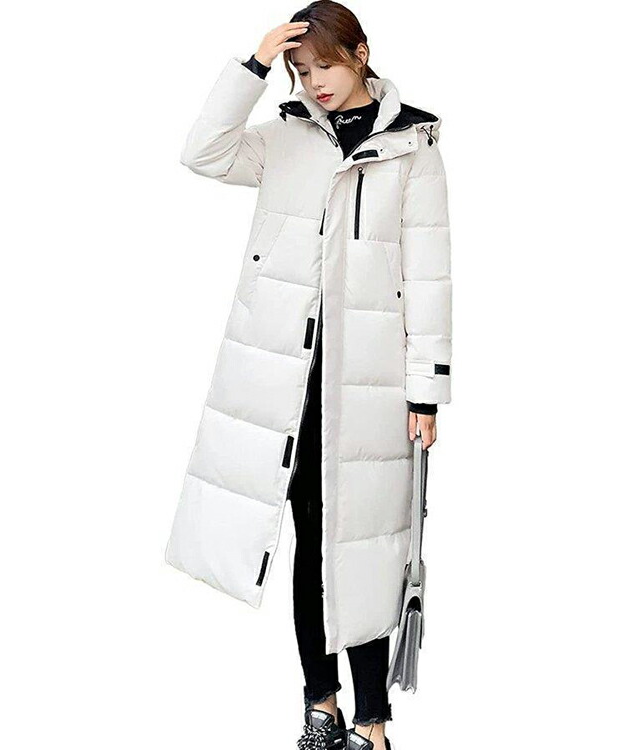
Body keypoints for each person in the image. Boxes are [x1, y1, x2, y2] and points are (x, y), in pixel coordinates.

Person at [166, 3, 451, 749]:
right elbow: (202, 152)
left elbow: (429, 274)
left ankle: (373, 723)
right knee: (309, 544)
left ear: (361, 53)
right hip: (287, 382)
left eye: (324, 64)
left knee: (364, 550)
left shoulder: (413, 146)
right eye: (300, 69)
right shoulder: (283, 138)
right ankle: (320, 709)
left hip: (372, 386)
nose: (314, 81)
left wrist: (427, 390)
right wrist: (254, 66)